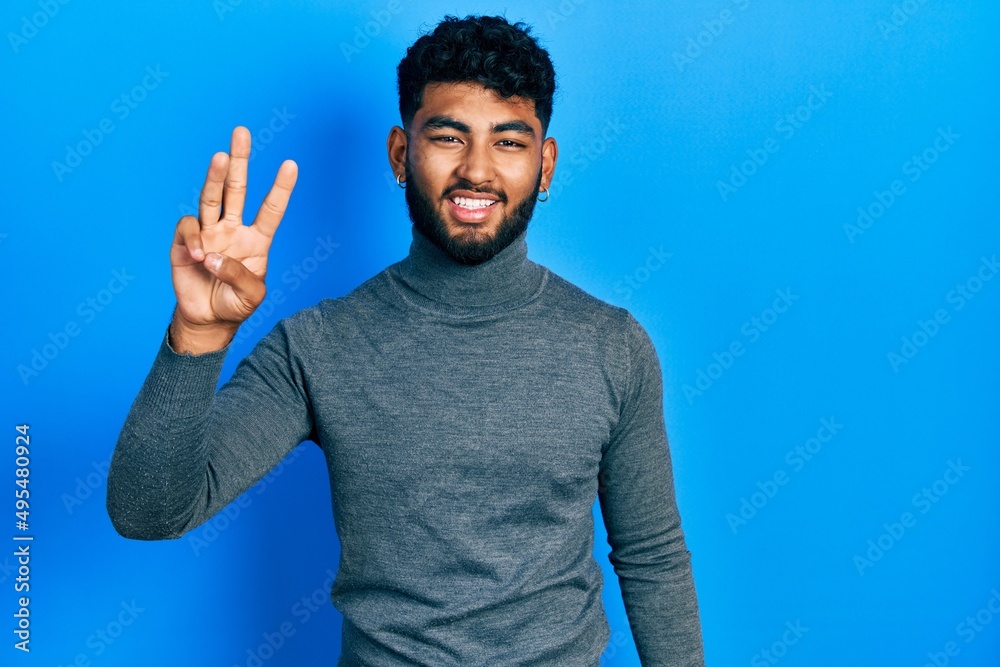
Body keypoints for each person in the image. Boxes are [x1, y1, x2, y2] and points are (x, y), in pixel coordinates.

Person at [106, 14, 704, 666]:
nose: (477, 170)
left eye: (509, 142)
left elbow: (652, 555)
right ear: (400, 153)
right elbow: (148, 511)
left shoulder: (611, 345)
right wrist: (196, 336)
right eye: (449, 136)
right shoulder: (318, 346)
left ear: (545, 163)